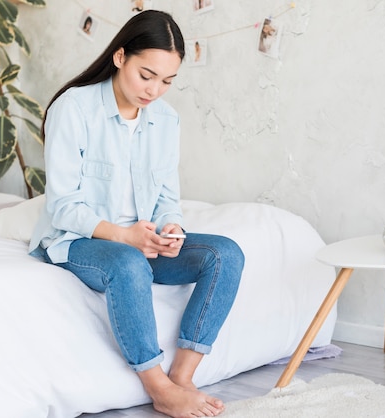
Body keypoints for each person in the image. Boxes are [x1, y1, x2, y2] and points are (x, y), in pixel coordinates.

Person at [28, 10, 244, 418]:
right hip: (78, 241)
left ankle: (182, 376)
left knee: (225, 254)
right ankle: (158, 386)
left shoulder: (165, 119)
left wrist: (170, 227)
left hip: (142, 241)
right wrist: (125, 235)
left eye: (167, 81)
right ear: (120, 56)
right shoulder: (74, 109)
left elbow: (166, 197)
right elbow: (62, 205)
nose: (155, 91)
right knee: (128, 263)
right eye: (147, 75)